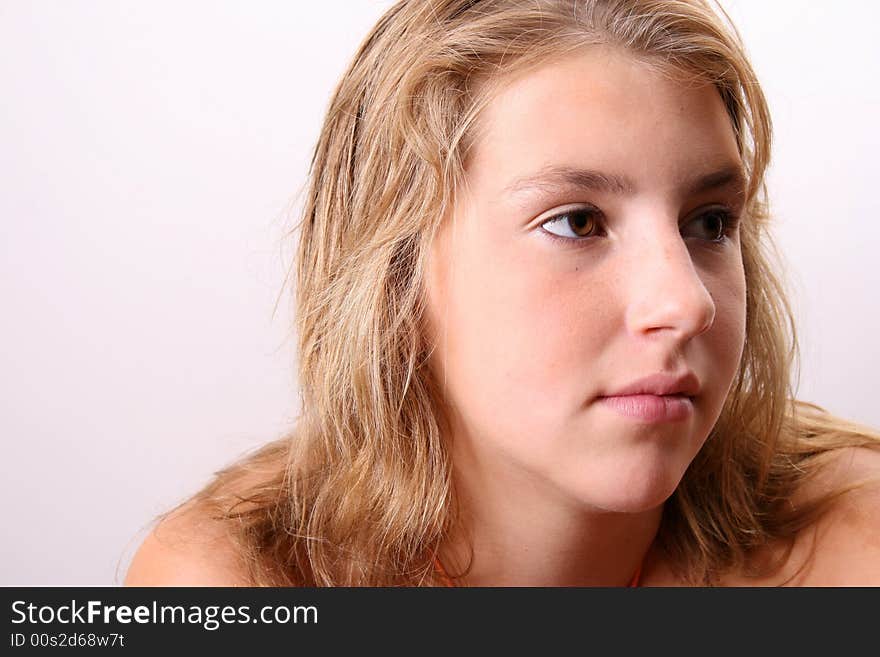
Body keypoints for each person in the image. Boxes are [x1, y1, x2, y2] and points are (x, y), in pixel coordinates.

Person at [123, 0, 880, 587]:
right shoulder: (236, 582)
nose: (686, 303)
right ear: (396, 274)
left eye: (708, 222)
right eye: (578, 222)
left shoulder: (851, 547)